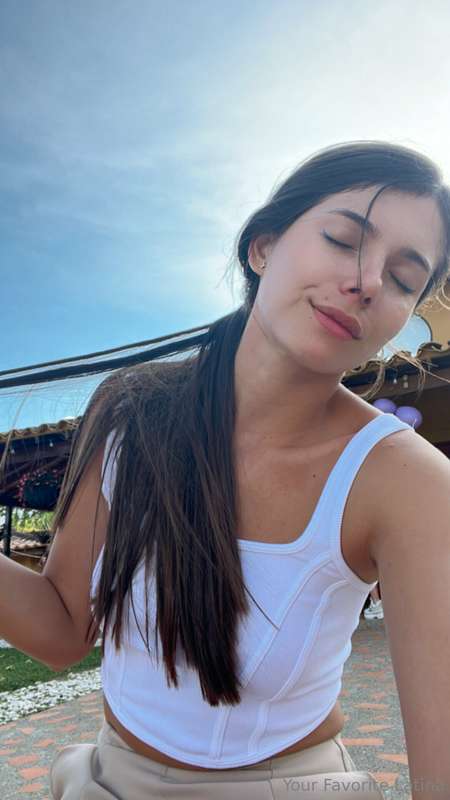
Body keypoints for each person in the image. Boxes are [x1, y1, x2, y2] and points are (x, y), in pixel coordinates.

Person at [1, 141, 450, 799]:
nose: (370, 282)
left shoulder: (407, 481)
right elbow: (63, 629)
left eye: (404, 280)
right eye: (342, 240)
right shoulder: (131, 413)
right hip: (109, 777)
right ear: (262, 247)